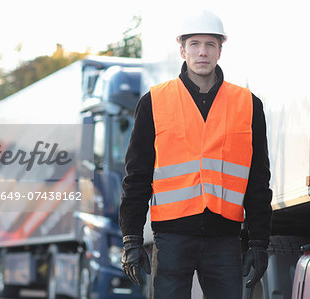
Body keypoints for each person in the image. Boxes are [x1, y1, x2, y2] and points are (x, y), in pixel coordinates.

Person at [119, 10, 272, 299]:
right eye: (195, 44)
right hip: (171, 238)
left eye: (210, 45)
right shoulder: (154, 102)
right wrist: (132, 239)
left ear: (220, 50)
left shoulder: (248, 105)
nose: (202, 52)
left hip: (225, 237)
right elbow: (136, 177)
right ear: (182, 50)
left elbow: (258, 179)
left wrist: (259, 242)